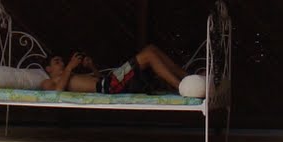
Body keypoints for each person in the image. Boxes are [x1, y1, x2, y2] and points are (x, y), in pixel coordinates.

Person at [41, 45, 189, 94]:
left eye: (62, 61)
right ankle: (181, 86)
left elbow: (99, 80)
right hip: (108, 86)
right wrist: (69, 67)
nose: (62, 63)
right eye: (57, 62)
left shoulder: (69, 75)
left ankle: (187, 77)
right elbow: (56, 93)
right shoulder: (48, 82)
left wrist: (91, 67)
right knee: (148, 54)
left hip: (108, 82)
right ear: (48, 69)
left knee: (151, 49)